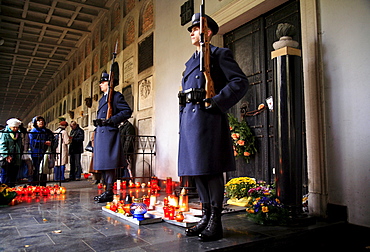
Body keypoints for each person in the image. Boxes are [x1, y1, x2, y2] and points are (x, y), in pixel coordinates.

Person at [178, 13, 249, 241]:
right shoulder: (190, 61)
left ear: (207, 32)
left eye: (196, 28)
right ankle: (205, 217)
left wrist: (217, 101)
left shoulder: (219, 54)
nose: (191, 32)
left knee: (211, 170)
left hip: (209, 118)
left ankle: (215, 221)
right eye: (191, 29)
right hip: (191, 121)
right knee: (197, 171)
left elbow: (240, 82)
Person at [93, 71, 132, 203]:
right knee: (103, 165)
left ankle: (109, 191)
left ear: (109, 84)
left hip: (109, 133)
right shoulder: (102, 99)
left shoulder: (116, 97)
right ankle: (106, 190)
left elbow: (127, 111)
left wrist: (111, 120)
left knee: (108, 164)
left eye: (103, 82)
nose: (100, 84)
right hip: (101, 134)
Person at [29, 116, 54, 186]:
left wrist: (51, 142)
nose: (41, 122)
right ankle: (35, 184)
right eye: (39, 121)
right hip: (36, 152)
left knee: (44, 169)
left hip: (45, 152)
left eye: (42, 120)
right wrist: (43, 142)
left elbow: (52, 138)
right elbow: (33, 141)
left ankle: (43, 185)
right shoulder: (33, 131)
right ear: (35, 123)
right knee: (36, 169)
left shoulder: (47, 131)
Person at [0, 118, 23, 187]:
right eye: (13, 127)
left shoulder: (18, 134)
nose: (15, 129)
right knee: (5, 174)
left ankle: (12, 188)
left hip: (16, 156)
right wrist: (6, 155)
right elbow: (2, 145)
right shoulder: (4, 133)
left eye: (17, 127)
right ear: (10, 126)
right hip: (6, 157)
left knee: (14, 174)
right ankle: (4, 189)